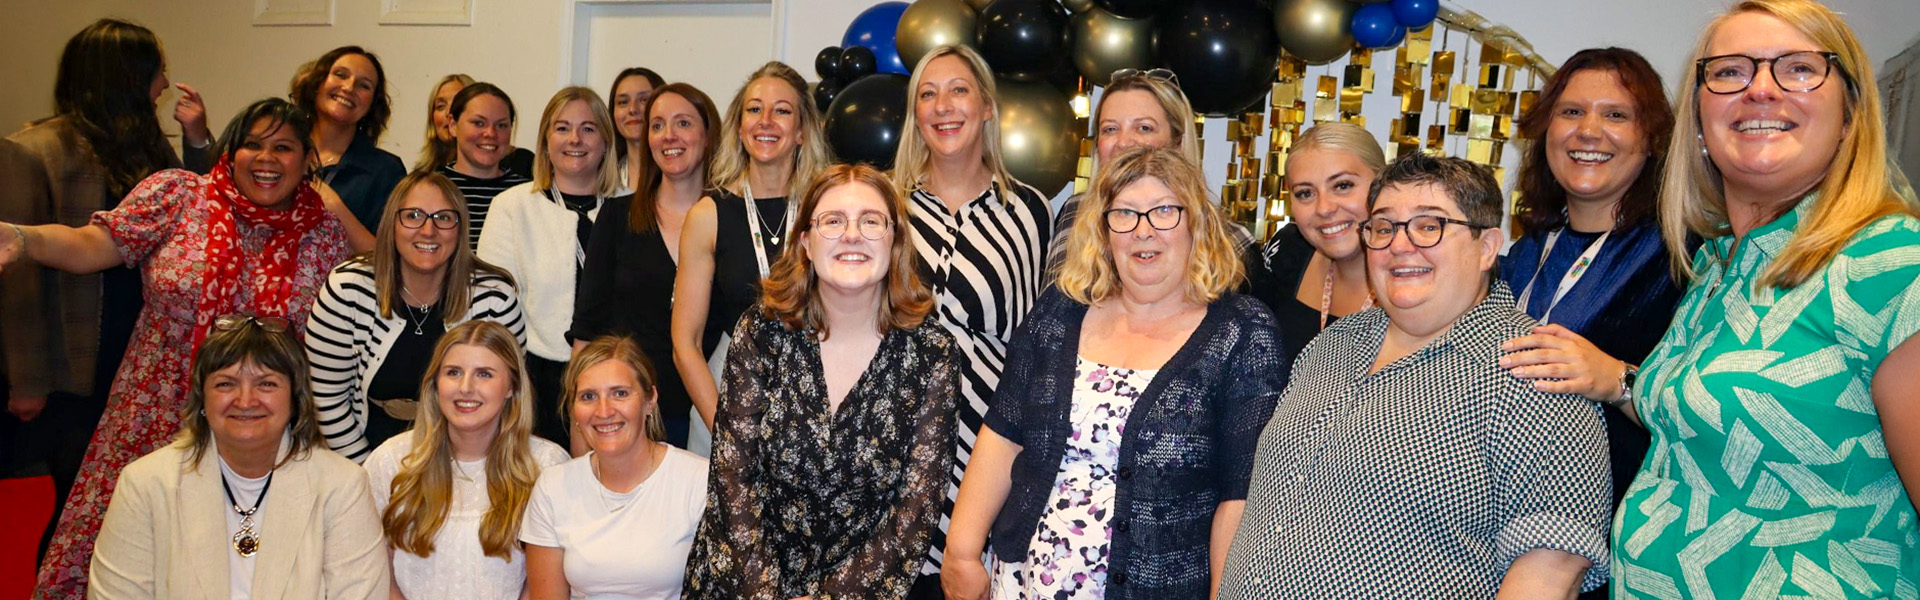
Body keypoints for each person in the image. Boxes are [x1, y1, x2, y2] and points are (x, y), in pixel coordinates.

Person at [1610, 1, 1920, 596]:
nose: (1760, 90)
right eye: (1729, 72)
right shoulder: (1716, 266)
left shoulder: (1890, 265)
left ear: (1851, 114)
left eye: (1800, 68)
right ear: (1699, 119)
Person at [3, 98, 357, 598]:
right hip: (154, 410)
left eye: (284, 147)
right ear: (230, 151)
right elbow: (92, 246)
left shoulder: (323, 232)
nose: (267, 158)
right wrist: (23, 238)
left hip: (252, 425)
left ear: (306, 161)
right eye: (253, 144)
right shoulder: (179, 194)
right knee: (122, 556)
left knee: (228, 564)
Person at [1218, 153, 1611, 598]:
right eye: (1383, 228)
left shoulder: (1533, 365)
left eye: (1429, 226)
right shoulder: (1332, 344)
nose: (1400, 246)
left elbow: (1552, 567)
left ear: (1486, 248)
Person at [942, 147, 1284, 600]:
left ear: (1197, 223)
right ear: (1103, 231)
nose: (1144, 230)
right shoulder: (1059, 312)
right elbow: (1004, 432)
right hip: (1021, 581)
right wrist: (961, 552)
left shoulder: (1243, 332)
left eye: (1164, 211)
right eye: (1124, 213)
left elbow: (1238, 494)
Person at [683, 164, 958, 600]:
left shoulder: (931, 353)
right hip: (745, 581)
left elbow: (916, 508)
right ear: (806, 243)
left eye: (871, 220)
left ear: (896, 240)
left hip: (862, 589)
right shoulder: (761, 331)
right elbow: (732, 480)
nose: (852, 235)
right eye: (833, 221)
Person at [0, 17, 214, 566]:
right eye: (156, 71)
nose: (164, 83)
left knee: (136, 505)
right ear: (126, 76)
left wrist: (197, 143)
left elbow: (202, 208)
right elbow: (16, 278)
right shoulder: (32, 150)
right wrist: (27, 380)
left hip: (141, 360)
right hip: (75, 367)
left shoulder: (148, 150)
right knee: (79, 504)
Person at [1489, 47, 1684, 600]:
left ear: (1652, 139)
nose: (1589, 131)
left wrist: (1619, 377)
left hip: (1625, 555)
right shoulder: (1520, 257)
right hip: (1503, 539)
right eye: (1571, 112)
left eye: (1616, 115)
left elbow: (1712, 410)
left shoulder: (1683, 258)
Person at [890, 45, 1053, 592]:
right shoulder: (887, 208)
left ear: (986, 106)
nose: (943, 106)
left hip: (989, 442)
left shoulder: (1029, 210)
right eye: (927, 94)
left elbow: (1034, 343)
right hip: (892, 439)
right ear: (915, 114)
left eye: (958, 90)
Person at [87, 315, 388, 600]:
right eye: (225, 384)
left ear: (296, 399)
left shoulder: (343, 486)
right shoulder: (145, 484)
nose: (245, 401)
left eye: (266, 384)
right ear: (201, 398)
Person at [307, 171, 527, 462]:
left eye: (444, 218)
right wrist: (367, 476)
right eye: (413, 215)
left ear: (461, 230)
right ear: (391, 224)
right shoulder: (348, 289)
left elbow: (508, 397)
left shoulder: (494, 298)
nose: (428, 230)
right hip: (361, 452)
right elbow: (327, 399)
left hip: (468, 457)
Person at [671, 61, 832, 448]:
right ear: (740, 127)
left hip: (820, 382)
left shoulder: (830, 207)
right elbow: (684, 343)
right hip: (730, 391)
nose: (766, 121)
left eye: (782, 111)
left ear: (801, 132)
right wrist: (728, 432)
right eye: (754, 109)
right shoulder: (708, 214)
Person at [364, 320, 570, 600]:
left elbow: (542, 588)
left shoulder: (546, 465)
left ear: (511, 386)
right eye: (453, 372)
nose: (465, 387)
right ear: (436, 384)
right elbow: (375, 576)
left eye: (484, 374)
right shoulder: (391, 461)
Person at [573, 83, 721, 449]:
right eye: (657, 126)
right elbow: (586, 334)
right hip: (628, 414)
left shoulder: (731, 220)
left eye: (683, 123)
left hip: (710, 412)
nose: (668, 136)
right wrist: (580, 439)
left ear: (708, 135)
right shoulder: (616, 217)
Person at [478, 86, 624, 449]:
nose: (575, 138)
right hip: (536, 378)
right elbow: (492, 306)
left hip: (616, 376)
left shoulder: (630, 209)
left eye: (588, 129)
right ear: (544, 142)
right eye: (562, 128)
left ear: (606, 142)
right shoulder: (512, 207)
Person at [522, 336, 709, 600]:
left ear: (650, 400)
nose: (604, 410)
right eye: (588, 397)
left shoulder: (699, 481)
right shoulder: (553, 486)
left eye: (620, 393)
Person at [1046, 67, 1251, 277]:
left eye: (1144, 128)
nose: (1124, 142)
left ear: (1178, 143)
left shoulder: (1232, 241)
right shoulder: (1076, 212)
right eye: (1110, 129)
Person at [1245, 122, 1386, 363]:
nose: (1324, 208)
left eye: (1342, 186)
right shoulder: (1288, 252)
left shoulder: (1416, 277)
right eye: (1305, 193)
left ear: (1383, 185)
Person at [291, 45, 406, 234]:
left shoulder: (385, 171)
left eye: (364, 85)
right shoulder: (282, 154)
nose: (349, 87)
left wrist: (335, 207)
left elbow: (387, 257)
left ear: (372, 104)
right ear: (317, 85)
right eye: (341, 75)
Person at [437, 83, 533, 250]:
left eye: (501, 125)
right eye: (479, 123)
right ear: (453, 125)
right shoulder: (429, 189)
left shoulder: (528, 195)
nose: (490, 133)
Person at [609, 67, 667, 194]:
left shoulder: (676, 172)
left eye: (644, 100)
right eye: (623, 102)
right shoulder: (604, 178)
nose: (633, 109)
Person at [414, 73, 475, 171]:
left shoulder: (502, 168)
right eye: (441, 106)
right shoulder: (421, 176)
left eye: (457, 103)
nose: (448, 113)